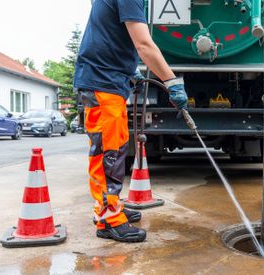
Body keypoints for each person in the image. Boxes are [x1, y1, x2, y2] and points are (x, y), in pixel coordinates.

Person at [74, 0, 188, 243]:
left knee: (116, 145)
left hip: (108, 80)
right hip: (102, 82)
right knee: (108, 152)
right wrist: (171, 82)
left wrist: (128, 69)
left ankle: (111, 206)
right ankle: (108, 220)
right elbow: (144, 45)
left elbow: (108, 34)